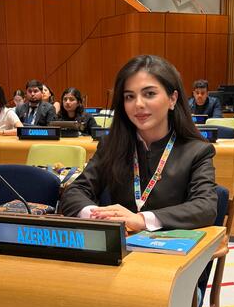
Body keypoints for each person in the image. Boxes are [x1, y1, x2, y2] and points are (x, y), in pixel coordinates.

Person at [60, 55, 217, 231]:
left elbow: (205, 207)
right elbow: (74, 192)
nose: (138, 104)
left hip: (171, 245)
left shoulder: (197, 151)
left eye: (149, 94)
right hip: (122, 244)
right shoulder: (112, 145)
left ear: (172, 99)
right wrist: (99, 216)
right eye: (129, 96)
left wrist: (142, 220)